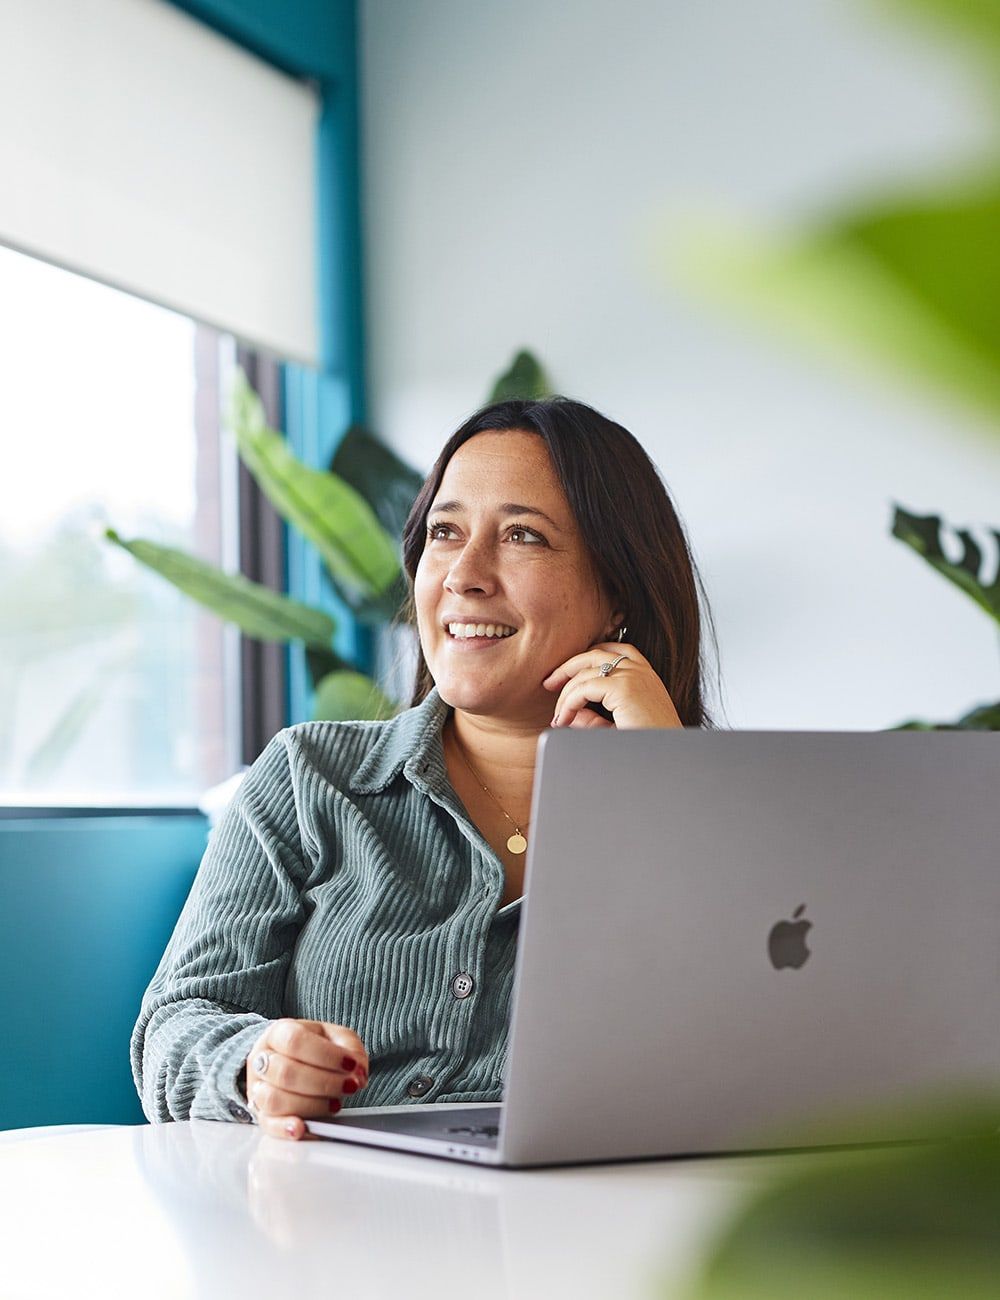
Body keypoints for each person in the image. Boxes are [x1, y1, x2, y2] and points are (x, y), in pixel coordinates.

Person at [131, 396, 719, 1141]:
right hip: (323, 1233)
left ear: (618, 595)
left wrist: (669, 789)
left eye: (523, 536)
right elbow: (173, 1029)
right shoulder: (309, 777)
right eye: (445, 532)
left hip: (587, 1232)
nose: (464, 574)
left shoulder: (707, 813)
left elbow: (758, 1058)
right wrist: (257, 1064)